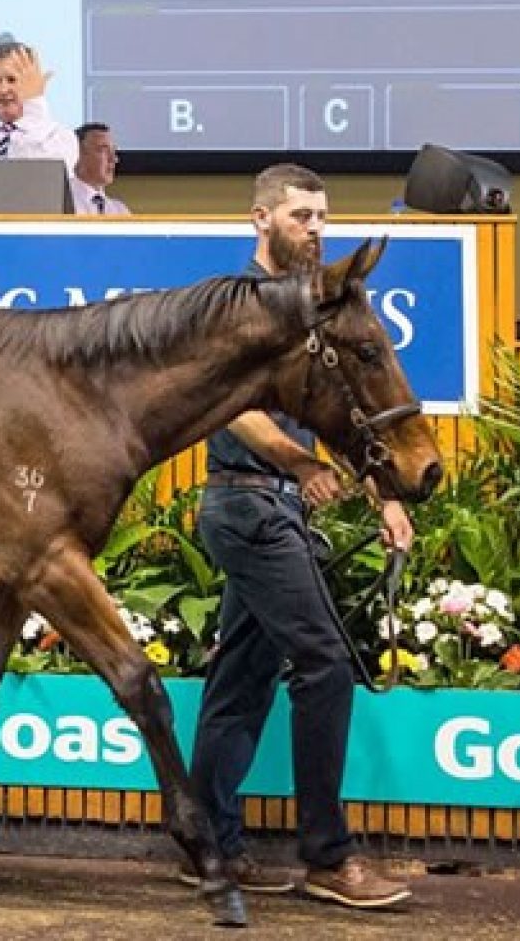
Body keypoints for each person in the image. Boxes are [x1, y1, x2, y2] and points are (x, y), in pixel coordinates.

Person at [180, 162, 414, 909]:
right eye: (301, 216)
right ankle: (327, 856)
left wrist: (384, 496)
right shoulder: (235, 305)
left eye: (322, 217)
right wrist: (297, 461)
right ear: (261, 219)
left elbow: (344, 413)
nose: (316, 229)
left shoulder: (313, 309)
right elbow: (232, 409)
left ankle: (208, 844)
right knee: (324, 664)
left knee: (241, 681)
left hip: (273, 507)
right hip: (247, 505)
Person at [0, 39, 79, 168]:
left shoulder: (60, 138)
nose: (3, 90)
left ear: (32, 85)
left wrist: (34, 103)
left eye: (12, 80)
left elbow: (41, 172)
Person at [70, 122, 132, 216]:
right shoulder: (59, 204)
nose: (114, 159)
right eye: (103, 150)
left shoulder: (119, 210)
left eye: (114, 151)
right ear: (78, 153)